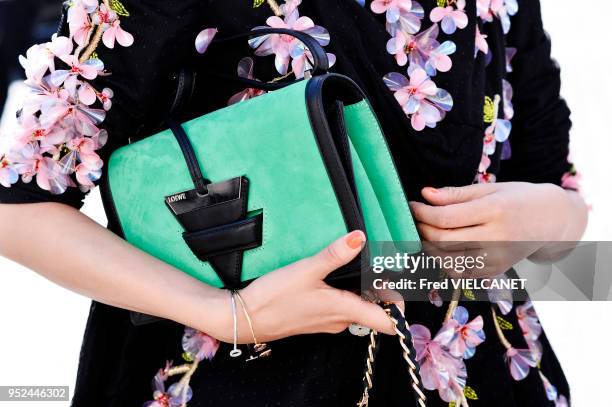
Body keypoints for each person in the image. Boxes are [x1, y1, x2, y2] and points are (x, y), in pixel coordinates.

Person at [0, 0, 588, 406]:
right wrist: (225, 312)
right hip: (240, 379)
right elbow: (17, 209)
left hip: (480, 369)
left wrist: (554, 217)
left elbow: (550, 182)